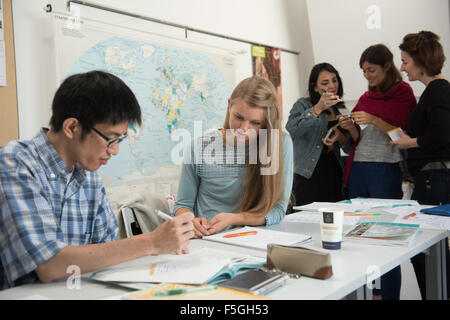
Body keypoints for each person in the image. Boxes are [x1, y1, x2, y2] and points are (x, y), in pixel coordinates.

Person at [0, 71, 195, 289]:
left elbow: (107, 249)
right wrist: (152, 242)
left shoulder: (88, 173)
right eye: (111, 139)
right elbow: (48, 264)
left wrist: (162, 246)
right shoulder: (17, 161)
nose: (115, 150)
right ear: (72, 127)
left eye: (120, 140)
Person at [173, 76, 293, 237]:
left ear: (266, 123)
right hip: (206, 241)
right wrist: (190, 221)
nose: (244, 128)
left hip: (252, 240)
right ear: (229, 106)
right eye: (239, 117)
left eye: (255, 123)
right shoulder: (199, 146)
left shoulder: (279, 144)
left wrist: (234, 219)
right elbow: (182, 205)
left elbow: (278, 210)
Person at [343, 44, 417, 300]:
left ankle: (387, 296)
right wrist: (348, 124)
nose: (367, 76)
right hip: (359, 169)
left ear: (387, 66)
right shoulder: (366, 98)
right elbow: (355, 138)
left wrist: (374, 119)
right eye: (363, 71)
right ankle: (366, 293)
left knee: (384, 239)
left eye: (371, 70)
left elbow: (401, 136)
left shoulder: (403, 92)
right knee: (357, 236)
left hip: (386, 170)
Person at [393, 30, 450, 299]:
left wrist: (410, 142)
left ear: (420, 60)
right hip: (432, 180)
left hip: (433, 182)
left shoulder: (438, 91)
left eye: (405, 61)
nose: (402, 68)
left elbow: (442, 135)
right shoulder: (436, 91)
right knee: (430, 254)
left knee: (425, 255)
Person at [285, 63, 357, 206]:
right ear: (315, 87)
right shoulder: (303, 105)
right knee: (305, 220)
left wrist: (340, 137)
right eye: (325, 82)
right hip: (306, 174)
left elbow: (350, 148)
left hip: (333, 173)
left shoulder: (341, 108)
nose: (332, 85)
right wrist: (317, 108)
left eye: (334, 80)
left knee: (333, 220)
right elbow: (293, 129)